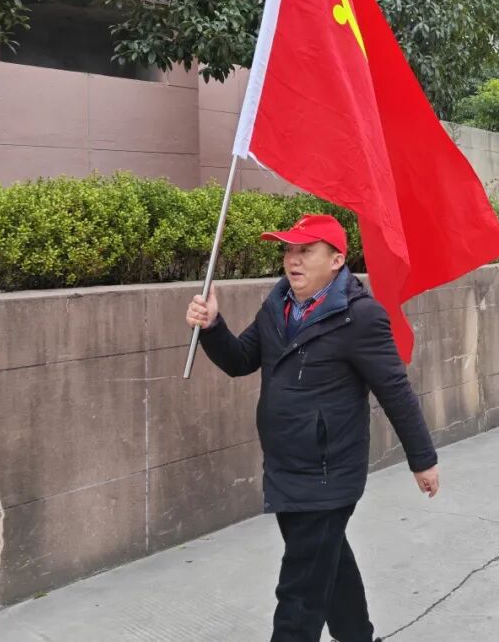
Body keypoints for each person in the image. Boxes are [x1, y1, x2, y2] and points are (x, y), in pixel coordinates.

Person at [185, 214, 439, 642]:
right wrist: (212, 325)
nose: (293, 259)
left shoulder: (360, 317)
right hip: (284, 465)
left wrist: (423, 459)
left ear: (337, 260)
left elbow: (394, 390)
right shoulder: (278, 304)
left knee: (300, 591)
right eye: (289, 250)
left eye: (306, 251)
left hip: (329, 473)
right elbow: (240, 360)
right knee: (328, 562)